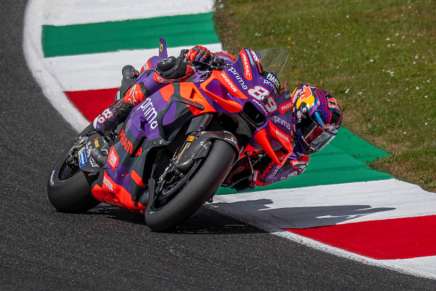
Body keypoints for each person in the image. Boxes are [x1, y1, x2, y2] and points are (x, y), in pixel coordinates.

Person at [92, 45, 342, 190]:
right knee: (177, 66)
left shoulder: (295, 159)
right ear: (300, 109)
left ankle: (177, 175)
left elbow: (258, 180)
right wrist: (208, 58)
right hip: (213, 98)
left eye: (321, 139)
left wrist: (251, 173)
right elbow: (232, 64)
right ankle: (117, 112)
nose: (313, 140)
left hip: (218, 169)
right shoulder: (277, 105)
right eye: (314, 130)